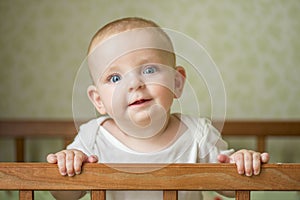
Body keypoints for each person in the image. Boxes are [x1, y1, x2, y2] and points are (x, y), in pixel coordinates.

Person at [47, 17, 269, 200]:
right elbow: (64, 195)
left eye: (150, 69)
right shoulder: (93, 137)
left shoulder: (197, 134)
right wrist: (69, 164)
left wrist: (242, 163)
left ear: (177, 82)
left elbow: (231, 187)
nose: (134, 84)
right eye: (115, 77)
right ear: (98, 100)